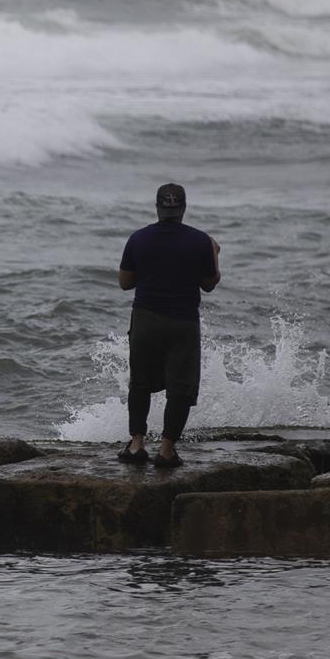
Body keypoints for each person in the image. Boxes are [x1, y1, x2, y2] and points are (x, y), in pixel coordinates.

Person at [116, 183, 220, 468]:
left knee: (140, 382)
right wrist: (214, 254)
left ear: (157, 208)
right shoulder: (200, 241)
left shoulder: (139, 239)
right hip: (182, 322)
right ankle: (166, 450)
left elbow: (125, 283)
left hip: (146, 320)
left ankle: (137, 445)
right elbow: (209, 285)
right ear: (184, 208)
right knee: (180, 388)